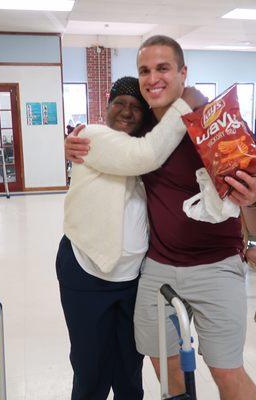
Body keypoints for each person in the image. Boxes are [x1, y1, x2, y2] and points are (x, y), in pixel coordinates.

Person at [67, 35, 256, 400]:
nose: (153, 78)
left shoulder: (214, 122)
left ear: (183, 72)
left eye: (163, 68)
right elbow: (116, 145)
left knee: (227, 371)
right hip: (158, 267)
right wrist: (72, 141)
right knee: (167, 375)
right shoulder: (140, 128)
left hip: (216, 265)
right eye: (145, 71)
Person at [57, 76, 207, 400]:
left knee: (129, 369)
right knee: (90, 370)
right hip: (87, 271)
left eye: (136, 107)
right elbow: (144, 156)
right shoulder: (93, 136)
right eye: (119, 103)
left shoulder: (146, 143)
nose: (126, 111)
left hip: (132, 279)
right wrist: (186, 101)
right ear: (106, 107)